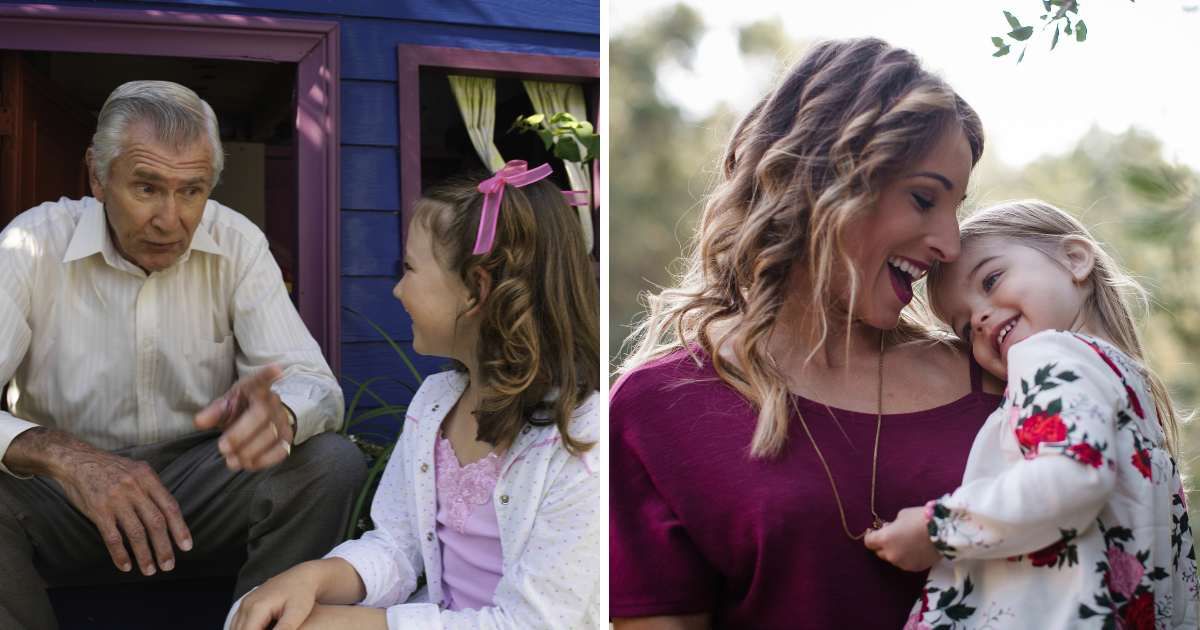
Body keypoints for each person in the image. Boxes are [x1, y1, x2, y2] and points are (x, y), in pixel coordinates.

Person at [610, 38, 997, 629]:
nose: (950, 244)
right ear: (821, 180)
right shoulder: (655, 409)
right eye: (924, 199)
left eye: (956, 208)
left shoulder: (995, 378)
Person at [0, 80, 364, 629]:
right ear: (97, 177)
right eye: (146, 188)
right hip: (65, 504)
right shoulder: (32, 244)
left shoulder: (238, 243)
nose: (172, 220)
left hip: (199, 497)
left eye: (192, 191)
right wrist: (65, 457)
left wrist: (280, 416)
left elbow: (313, 382)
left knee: (328, 463)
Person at [227, 161, 603, 630]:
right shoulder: (435, 403)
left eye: (408, 268)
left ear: (476, 289)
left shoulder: (584, 442)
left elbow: (535, 623)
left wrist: (355, 626)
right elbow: (397, 546)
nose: (398, 290)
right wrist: (313, 578)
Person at [865, 200, 1199, 628]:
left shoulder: (1048, 355)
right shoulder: (1127, 388)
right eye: (964, 327)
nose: (980, 319)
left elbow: (1071, 475)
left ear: (1075, 259)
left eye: (991, 279)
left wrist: (938, 529)